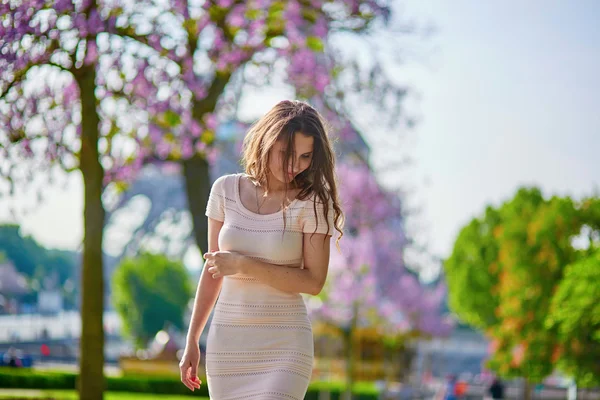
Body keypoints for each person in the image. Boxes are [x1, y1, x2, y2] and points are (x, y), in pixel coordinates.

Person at [179, 100, 344, 399]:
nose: (296, 165)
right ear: (266, 142)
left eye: (306, 156)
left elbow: (313, 282)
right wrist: (192, 339)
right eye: (287, 154)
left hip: (285, 345)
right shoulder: (224, 190)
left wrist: (244, 265)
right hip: (228, 343)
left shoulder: (313, 203)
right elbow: (212, 267)